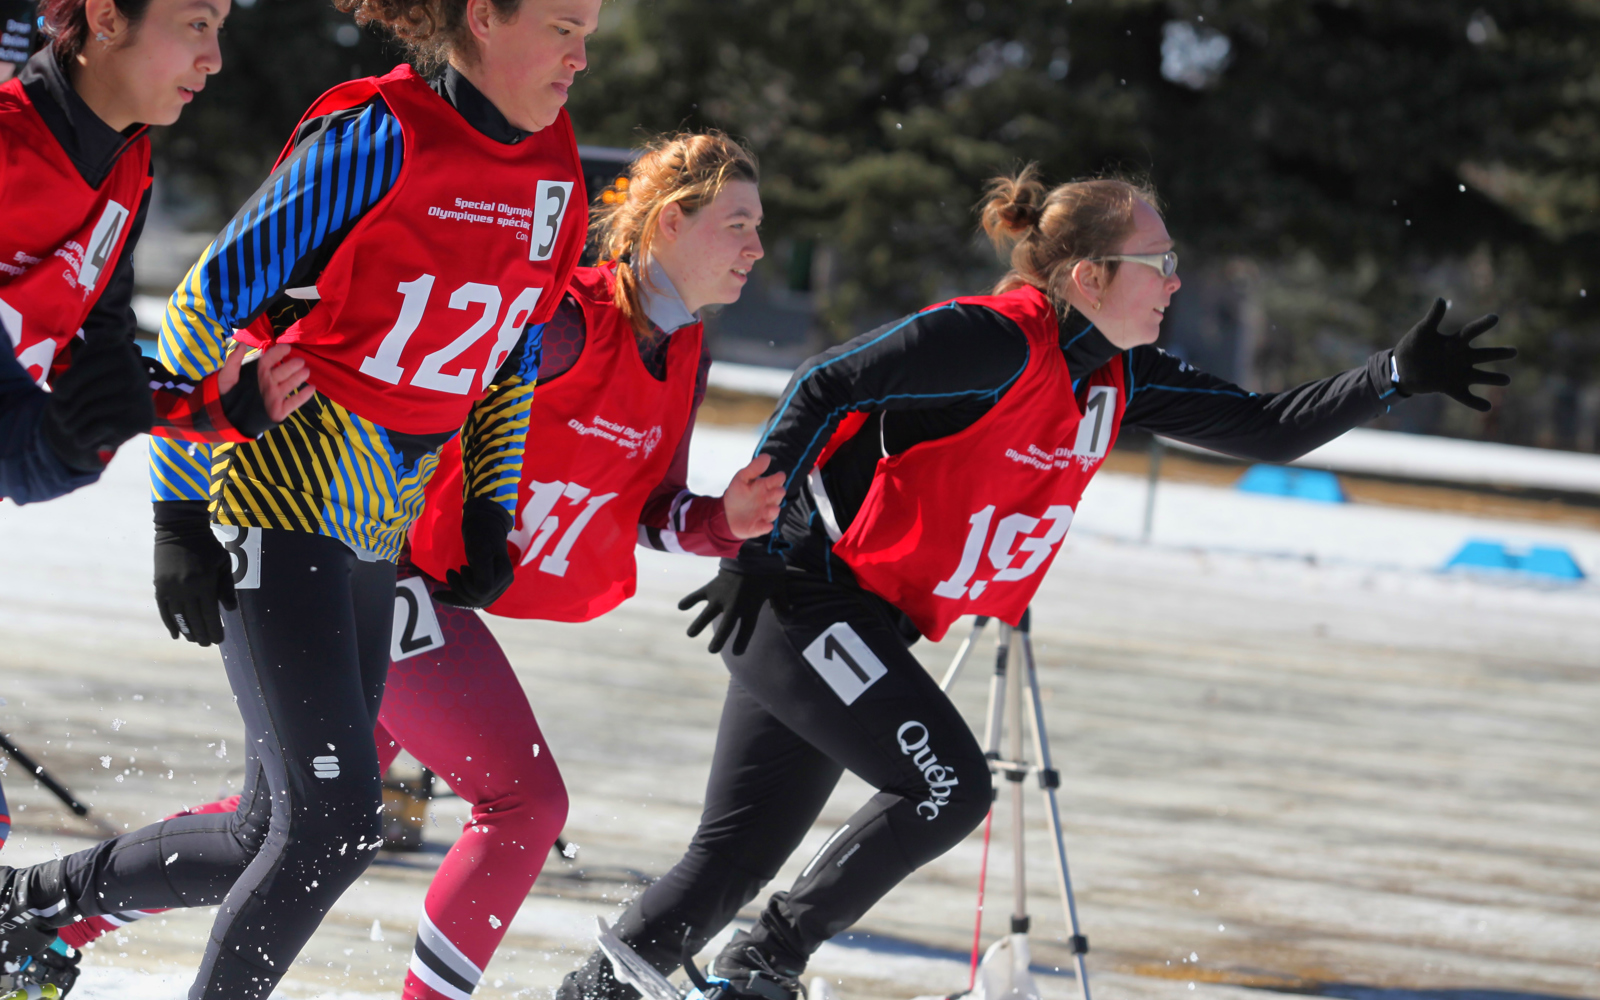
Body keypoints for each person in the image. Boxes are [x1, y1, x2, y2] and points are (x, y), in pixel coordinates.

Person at [558, 168, 1518, 1000]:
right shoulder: (996, 338)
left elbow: (1265, 428)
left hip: (856, 620)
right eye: (1158, 263)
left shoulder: (1118, 374)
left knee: (727, 863)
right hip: (799, 601)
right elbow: (823, 382)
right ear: (1089, 277)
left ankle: (593, 991)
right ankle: (764, 963)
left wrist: (1390, 375)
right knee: (947, 785)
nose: (1176, 280)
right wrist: (752, 550)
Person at [53, 130, 789, 1000]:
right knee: (521, 804)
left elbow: (638, 509)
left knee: (276, 833)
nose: (758, 247)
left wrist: (720, 523)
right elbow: (436, 388)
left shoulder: (680, 350)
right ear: (670, 223)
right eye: (739, 223)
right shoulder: (566, 320)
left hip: (415, 582)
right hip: (379, 560)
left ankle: (45, 907)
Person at [0, 0, 598, 996]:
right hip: (280, 499)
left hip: (376, 529)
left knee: (269, 832)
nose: (581, 54)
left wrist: (489, 503)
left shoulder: (554, 164)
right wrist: (181, 513)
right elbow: (206, 298)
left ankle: (30, 906)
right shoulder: (380, 134)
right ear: (483, 20)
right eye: (564, 26)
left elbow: (516, 349)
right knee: (329, 828)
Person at [1, 0, 312, 506]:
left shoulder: (129, 161)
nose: (213, 58)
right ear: (106, 18)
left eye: (218, 29)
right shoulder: (8, 139)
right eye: (196, 23)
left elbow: (95, 355)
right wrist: (48, 448)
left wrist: (218, 404)